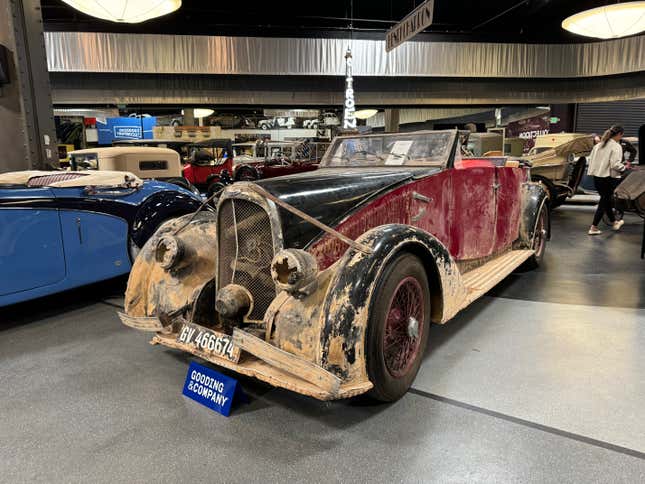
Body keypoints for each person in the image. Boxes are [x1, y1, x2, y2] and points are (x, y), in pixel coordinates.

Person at [587, 125, 627, 235]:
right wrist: (624, 168)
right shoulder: (616, 146)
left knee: (606, 200)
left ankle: (614, 222)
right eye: (622, 135)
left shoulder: (598, 145)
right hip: (609, 178)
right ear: (619, 134)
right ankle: (594, 227)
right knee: (604, 201)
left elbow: (591, 160)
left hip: (597, 177)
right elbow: (615, 165)